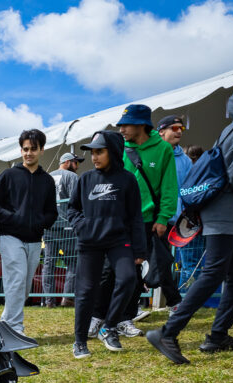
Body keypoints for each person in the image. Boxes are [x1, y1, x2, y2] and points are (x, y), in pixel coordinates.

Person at [147, 78, 233, 364]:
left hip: (220, 212)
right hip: (226, 212)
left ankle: (217, 336)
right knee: (213, 273)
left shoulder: (231, 128)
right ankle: (167, 332)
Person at [90, 104, 181, 338]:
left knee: (134, 272)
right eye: (120, 125)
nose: (121, 129)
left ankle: (124, 318)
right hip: (116, 220)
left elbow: (170, 187)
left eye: (126, 125)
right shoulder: (118, 147)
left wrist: (163, 218)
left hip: (146, 222)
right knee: (107, 271)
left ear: (142, 124)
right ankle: (97, 316)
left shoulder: (163, 149)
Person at [67, 131, 147, 358]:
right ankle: (80, 341)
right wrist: (82, 226)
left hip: (118, 241)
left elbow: (135, 217)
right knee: (86, 291)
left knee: (128, 278)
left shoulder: (128, 180)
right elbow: (72, 209)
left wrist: (139, 249)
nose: (94, 157)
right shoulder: (85, 179)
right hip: (90, 242)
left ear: (113, 151)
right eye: (92, 152)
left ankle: (109, 326)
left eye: (99, 151)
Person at [0, 129, 57, 334]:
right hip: (10, 237)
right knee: (16, 279)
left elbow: (52, 212)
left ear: (42, 150)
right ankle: (15, 328)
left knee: (24, 286)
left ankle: (5, 325)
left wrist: (39, 223)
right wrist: (14, 218)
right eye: (25, 149)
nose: (28, 153)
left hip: (35, 239)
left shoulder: (47, 181)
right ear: (21, 150)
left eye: (33, 149)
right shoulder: (8, 175)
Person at [157, 115, 201, 293]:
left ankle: (181, 303)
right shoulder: (151, 154)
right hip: (156, 219)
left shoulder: (184, 160)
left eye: (181, 129)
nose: (179, 132)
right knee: (152, 263)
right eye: (174, 128)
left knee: (189, 264)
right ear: (161, 131)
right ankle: (133, 304)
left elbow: (190, 189)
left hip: (181, 220)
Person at [46, 152, 83, 307]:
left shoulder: (47, 177)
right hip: (66, 226)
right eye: (76, 162)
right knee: (72, 262)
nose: (77, 166)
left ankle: (48, 300)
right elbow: (77, 201)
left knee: (49, 263)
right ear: (67, 162)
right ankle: (67, 298)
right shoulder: (72, 177)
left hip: (48, 226)